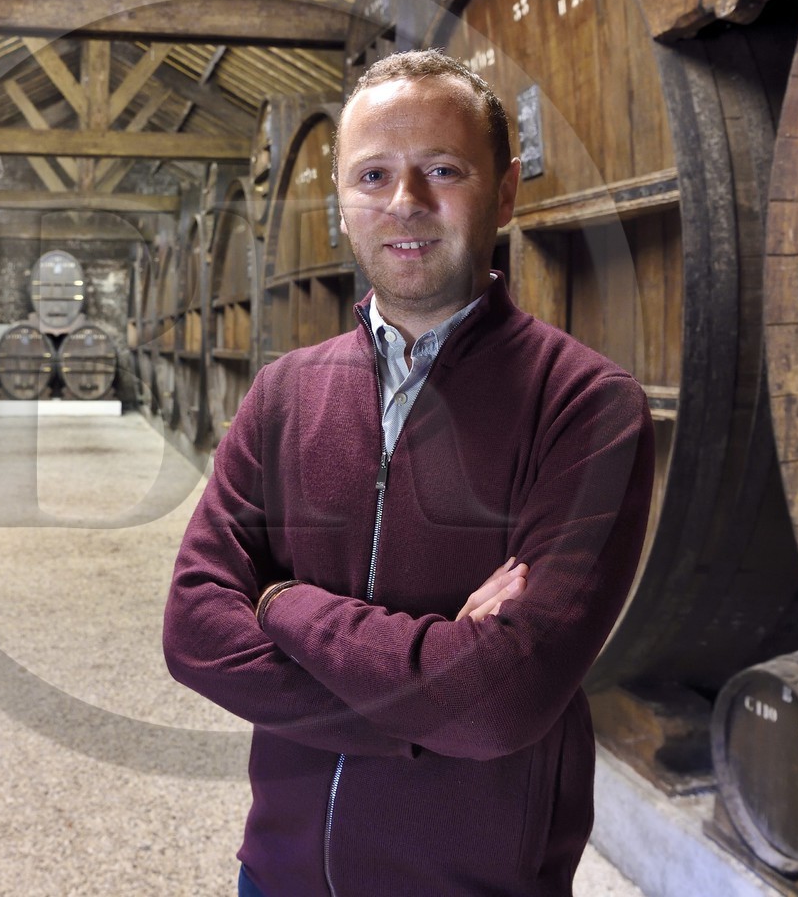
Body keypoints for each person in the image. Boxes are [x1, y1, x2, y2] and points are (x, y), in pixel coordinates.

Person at [162, 50, 655, 897]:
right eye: (373, 175)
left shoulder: (586, 404)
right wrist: (437, 691)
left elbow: (506, 698)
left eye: (442, 170)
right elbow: (194, 635)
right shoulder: (285, 393)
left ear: (502, 194)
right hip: (278, 875)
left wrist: (284, 604)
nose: (406, 203)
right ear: (341, 207)